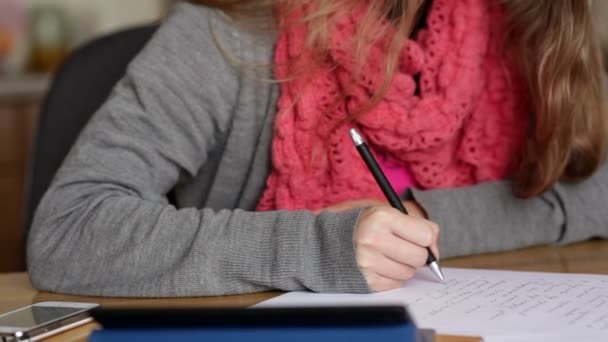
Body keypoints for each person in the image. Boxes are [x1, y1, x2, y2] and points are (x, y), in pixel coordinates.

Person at [28, 0, 608, 297]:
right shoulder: (223, 36)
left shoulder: (524, 33)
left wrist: (423, 219)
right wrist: (316, 247)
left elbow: (595, 192)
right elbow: (70, 229)